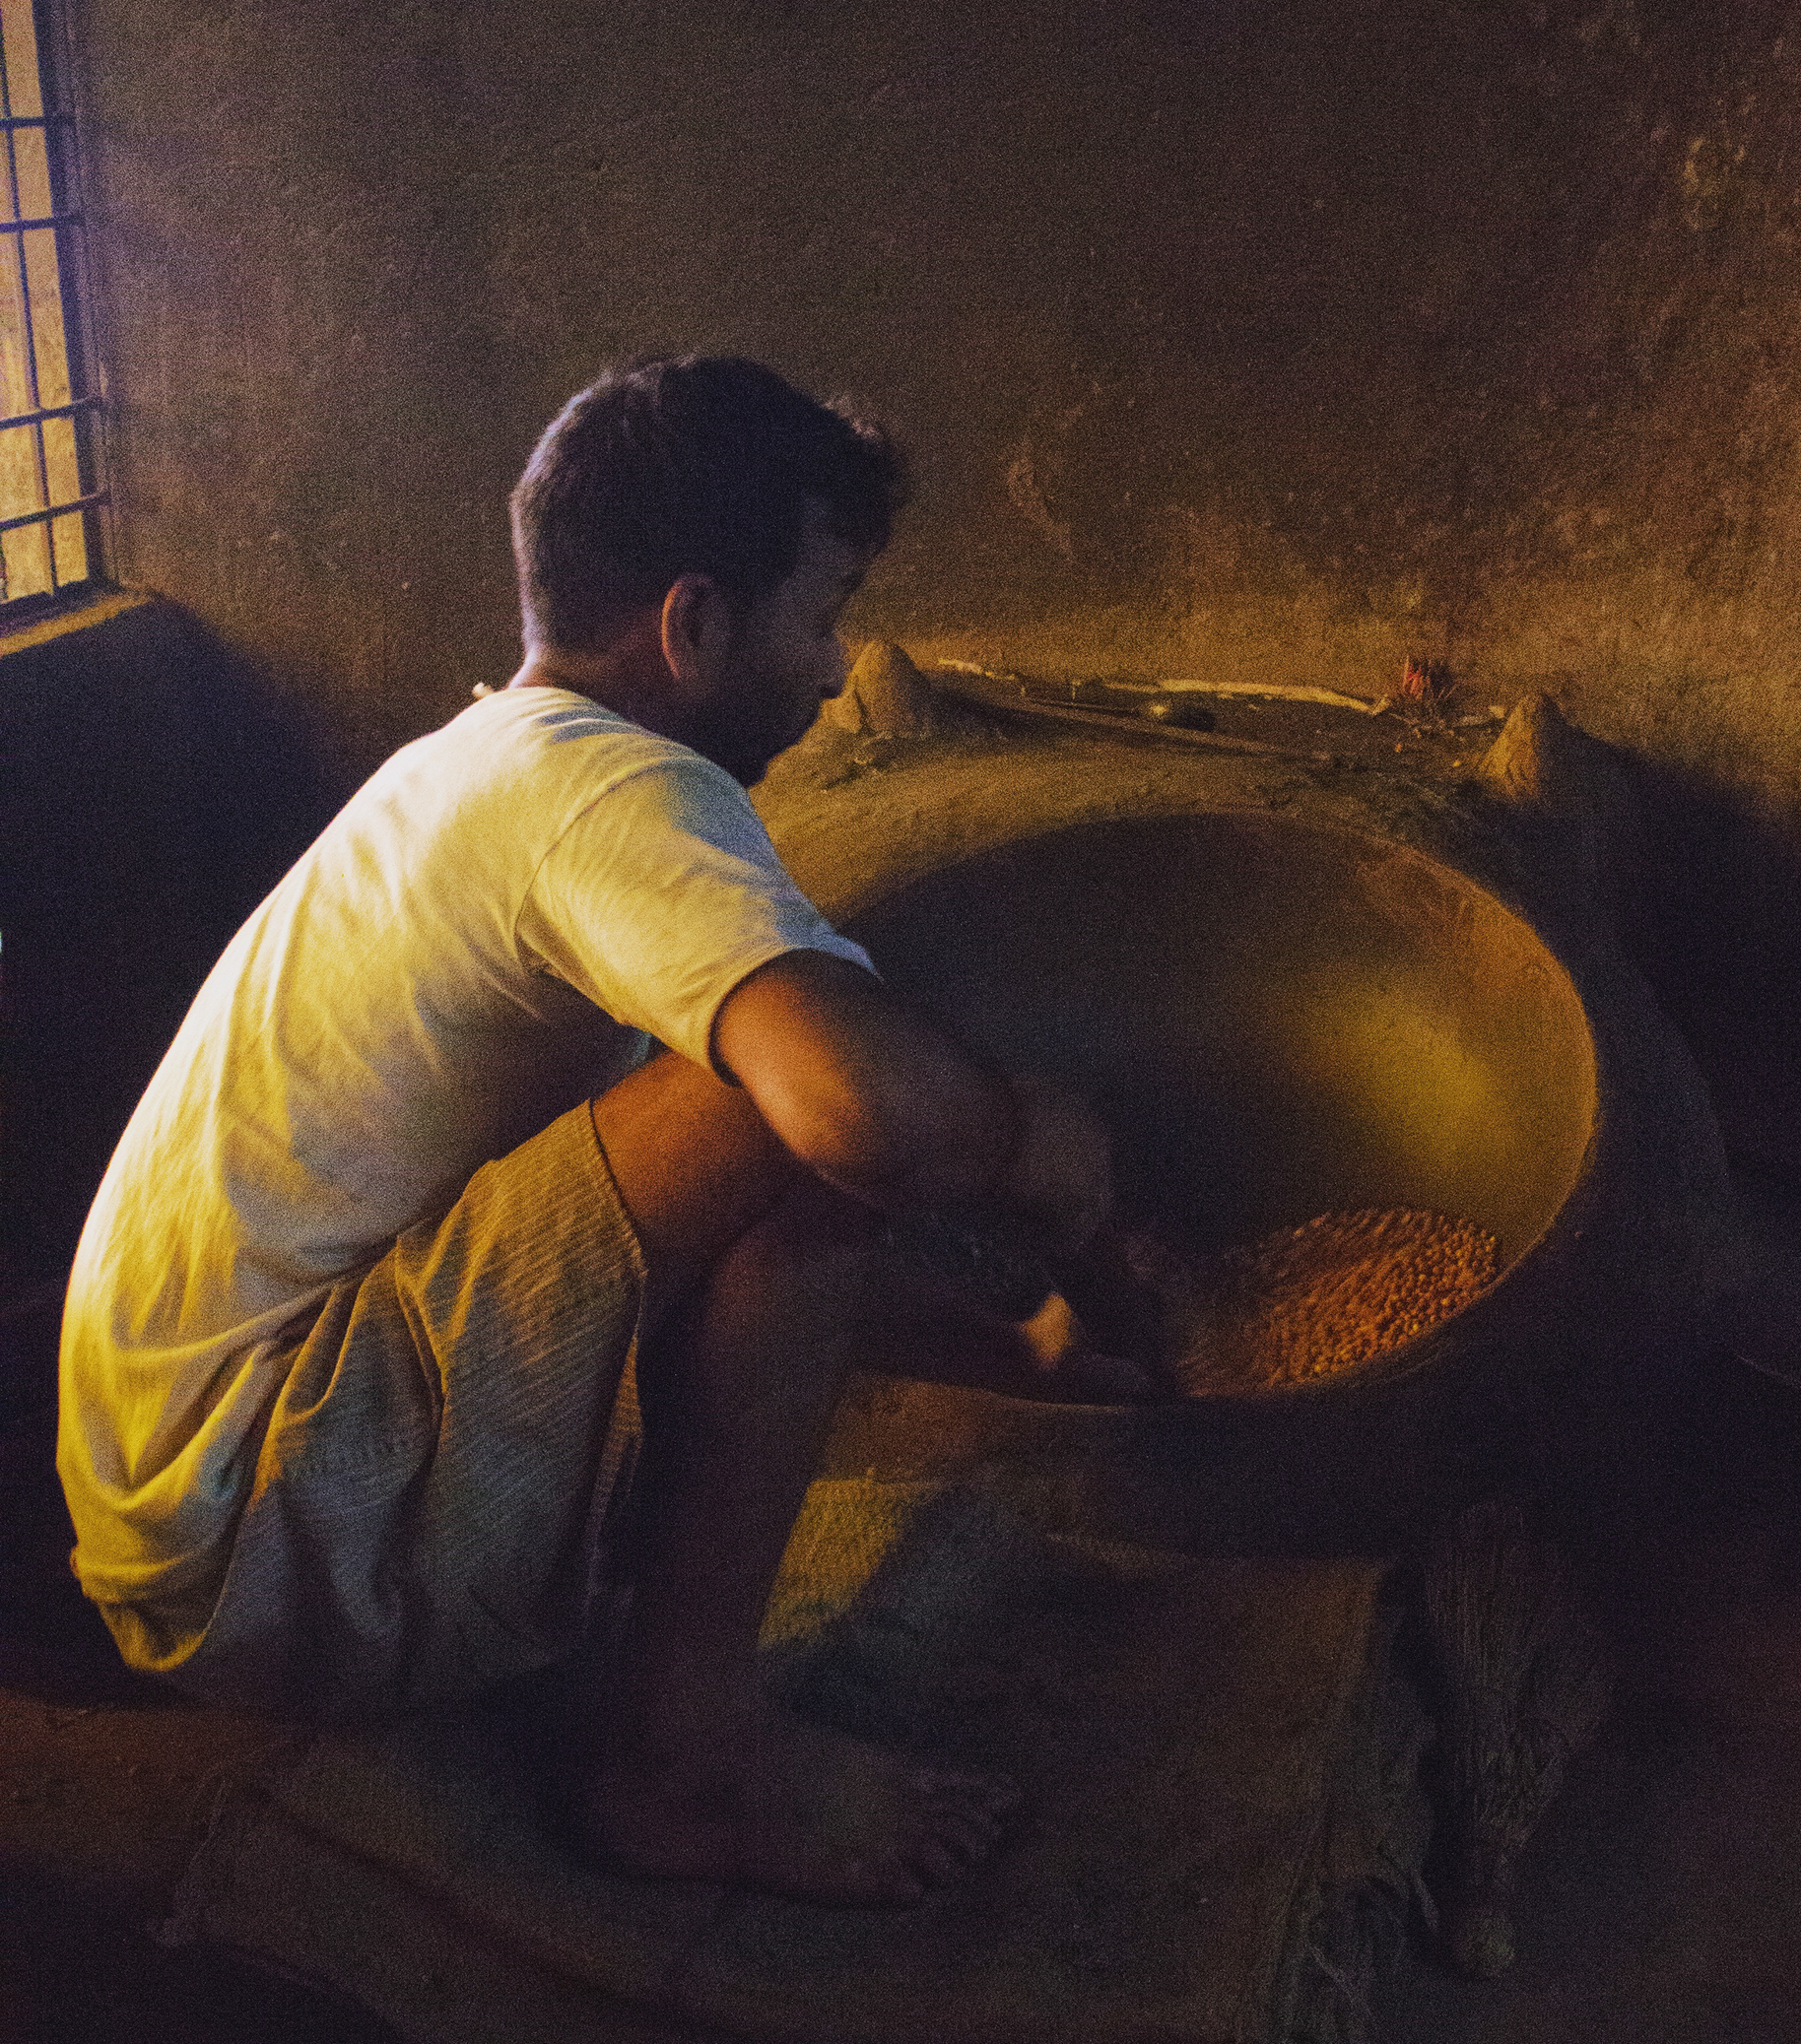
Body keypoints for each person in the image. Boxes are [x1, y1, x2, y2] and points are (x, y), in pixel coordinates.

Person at [57, 356, 1152, 1907]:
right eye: (822, 613)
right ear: (695, 623)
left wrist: (1012, 1345)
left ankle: (643, 1684)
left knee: (774, 1092)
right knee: (815, 1104)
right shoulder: (605, 793)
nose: (840, 669)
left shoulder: (480, 768)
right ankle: (685, 1762)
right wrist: (1043, 1144)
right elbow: (851, 1120)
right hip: (276, 1529)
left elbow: (647, 1219)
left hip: (193, 1509)